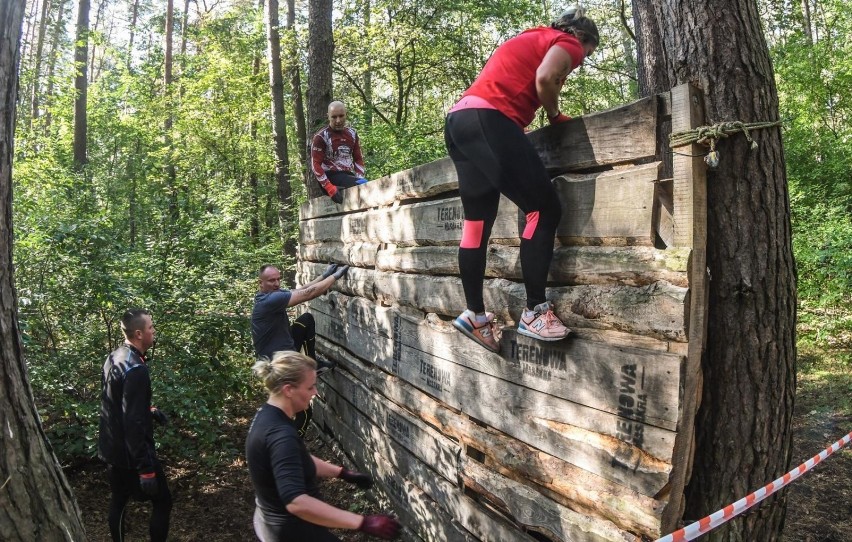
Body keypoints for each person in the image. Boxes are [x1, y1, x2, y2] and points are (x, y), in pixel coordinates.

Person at [443, 7, 599, 352]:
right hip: (489, 118)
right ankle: (535, 312)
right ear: (583, 39)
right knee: (543, 209)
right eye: (587, 55)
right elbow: (545, 78)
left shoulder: (531, 36)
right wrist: (555, 114)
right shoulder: (567, 43)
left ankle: (475, 315)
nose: (581, 61)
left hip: (459, 121)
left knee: (476, 225)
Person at [247, 350, 402, 541]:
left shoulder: (267, 415)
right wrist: (362, 522)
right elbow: (296, 502)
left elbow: (294, 458)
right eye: (310, 387)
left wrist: (341, 473)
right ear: (288, 390)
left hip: (269, 522)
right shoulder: (281, 435)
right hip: (292, 531)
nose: (315, 393)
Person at [98, 308, 172, 542]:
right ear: (139, 334)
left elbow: (117, 401)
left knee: (119, 500)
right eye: (151, 327)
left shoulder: (114, 357)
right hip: (131, 455)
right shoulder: (136, 368)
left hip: (111, 449)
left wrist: (148, 409)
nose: (154, 331)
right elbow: (133, 421)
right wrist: (146, 468)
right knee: (163, 501)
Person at [251, 262, 348, 435]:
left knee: (306, 320)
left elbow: (301, 289)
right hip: (279, 366)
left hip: (286, 352)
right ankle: (293, 448)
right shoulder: (269, 300)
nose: (276, 283)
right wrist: (336, 277)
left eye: (278, 279)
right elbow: (308, 294)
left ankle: (312, 365)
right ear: (260, 283)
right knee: (304, 413)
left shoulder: (273, 295)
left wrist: (324, 276)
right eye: (271, 280)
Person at [311, 101, 368, 204]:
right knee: (364, 185)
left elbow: (358, 158)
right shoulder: (321, 137)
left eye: (341, 116)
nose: (338, 121)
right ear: (328, 117)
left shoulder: (352, 134)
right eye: (334, 117)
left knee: (364, 183)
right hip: (330, 177)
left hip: (347, 175)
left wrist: (360, 177)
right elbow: (315, 165)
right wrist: (329, 188)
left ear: (346, 114)